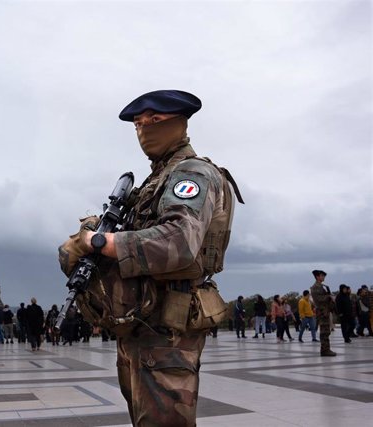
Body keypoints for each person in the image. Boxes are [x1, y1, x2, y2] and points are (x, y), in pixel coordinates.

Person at [58, 90, 242, 426]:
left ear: (179, 123)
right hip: (142, 324)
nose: (144, 129)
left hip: (166, 331)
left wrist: (98, 242)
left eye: (154, 121)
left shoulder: (192, 174)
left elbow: (179, 241)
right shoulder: (157, 178)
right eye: (138, 124)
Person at [310, 270, 336, 356]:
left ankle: (326, 349)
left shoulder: (322, 286)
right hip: (322, 311)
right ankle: (325, 350)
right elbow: (318, 300)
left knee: (326, 331)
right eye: (322, 276)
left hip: (325, 310)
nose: (323, 277)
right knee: (324, 331)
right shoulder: (315, 287)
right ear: (317, 276)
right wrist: (329, 297)